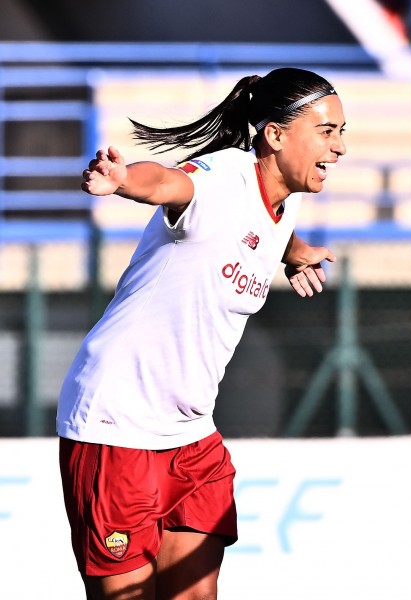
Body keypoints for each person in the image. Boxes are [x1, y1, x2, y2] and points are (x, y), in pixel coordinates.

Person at [57, 67, 344, 599]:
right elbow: (168, 183)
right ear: (276, 135)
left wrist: (294, 251)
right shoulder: (220, 176)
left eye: (341, 132)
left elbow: (261, 224)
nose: (340, 147)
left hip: (190, 435)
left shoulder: (286, 195)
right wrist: (122, 181)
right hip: (116, 424)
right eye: (327, 131)